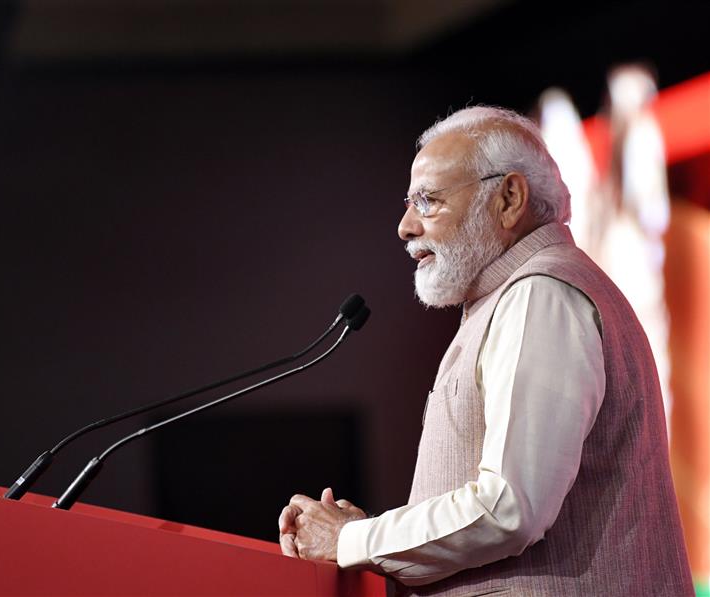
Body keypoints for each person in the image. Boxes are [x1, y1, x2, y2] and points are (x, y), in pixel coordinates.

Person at [278, 106, 693, 596]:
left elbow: (508, 508)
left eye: (428, 201)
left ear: (509, 198)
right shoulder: (515, 295)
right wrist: (372, 537)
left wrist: (352, 539)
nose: (405, 226)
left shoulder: (541, 295)